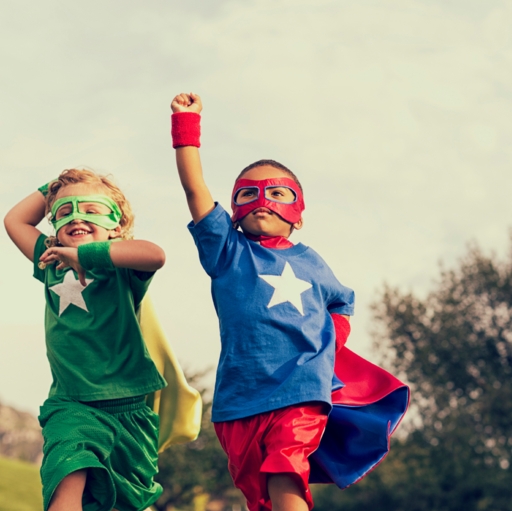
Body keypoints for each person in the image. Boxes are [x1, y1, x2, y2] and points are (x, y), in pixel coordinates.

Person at [170, 92, 409, 511]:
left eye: (277, 192)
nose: (262, 200)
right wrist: (186, 124)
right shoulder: (227, 251)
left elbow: (341, 303)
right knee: (257, 493)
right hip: (238, 397)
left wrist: (330, 342)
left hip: (302, 387)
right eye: (248, 193)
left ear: (297, 211)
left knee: (286, 467)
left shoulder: (311, 260)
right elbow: (194, 188)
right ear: (233, 208)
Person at [4, 168, 168, 511]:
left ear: (116, 227)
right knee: (67, 477)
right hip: (71, 404)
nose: (76, 216)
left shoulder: (122, 266)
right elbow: (14, 221)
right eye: (64, 212)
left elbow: (155, 255)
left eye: (91, 209)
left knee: (123, 503)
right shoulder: (50, 262)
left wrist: (83, 255)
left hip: (128, 408)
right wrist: (55, 185)